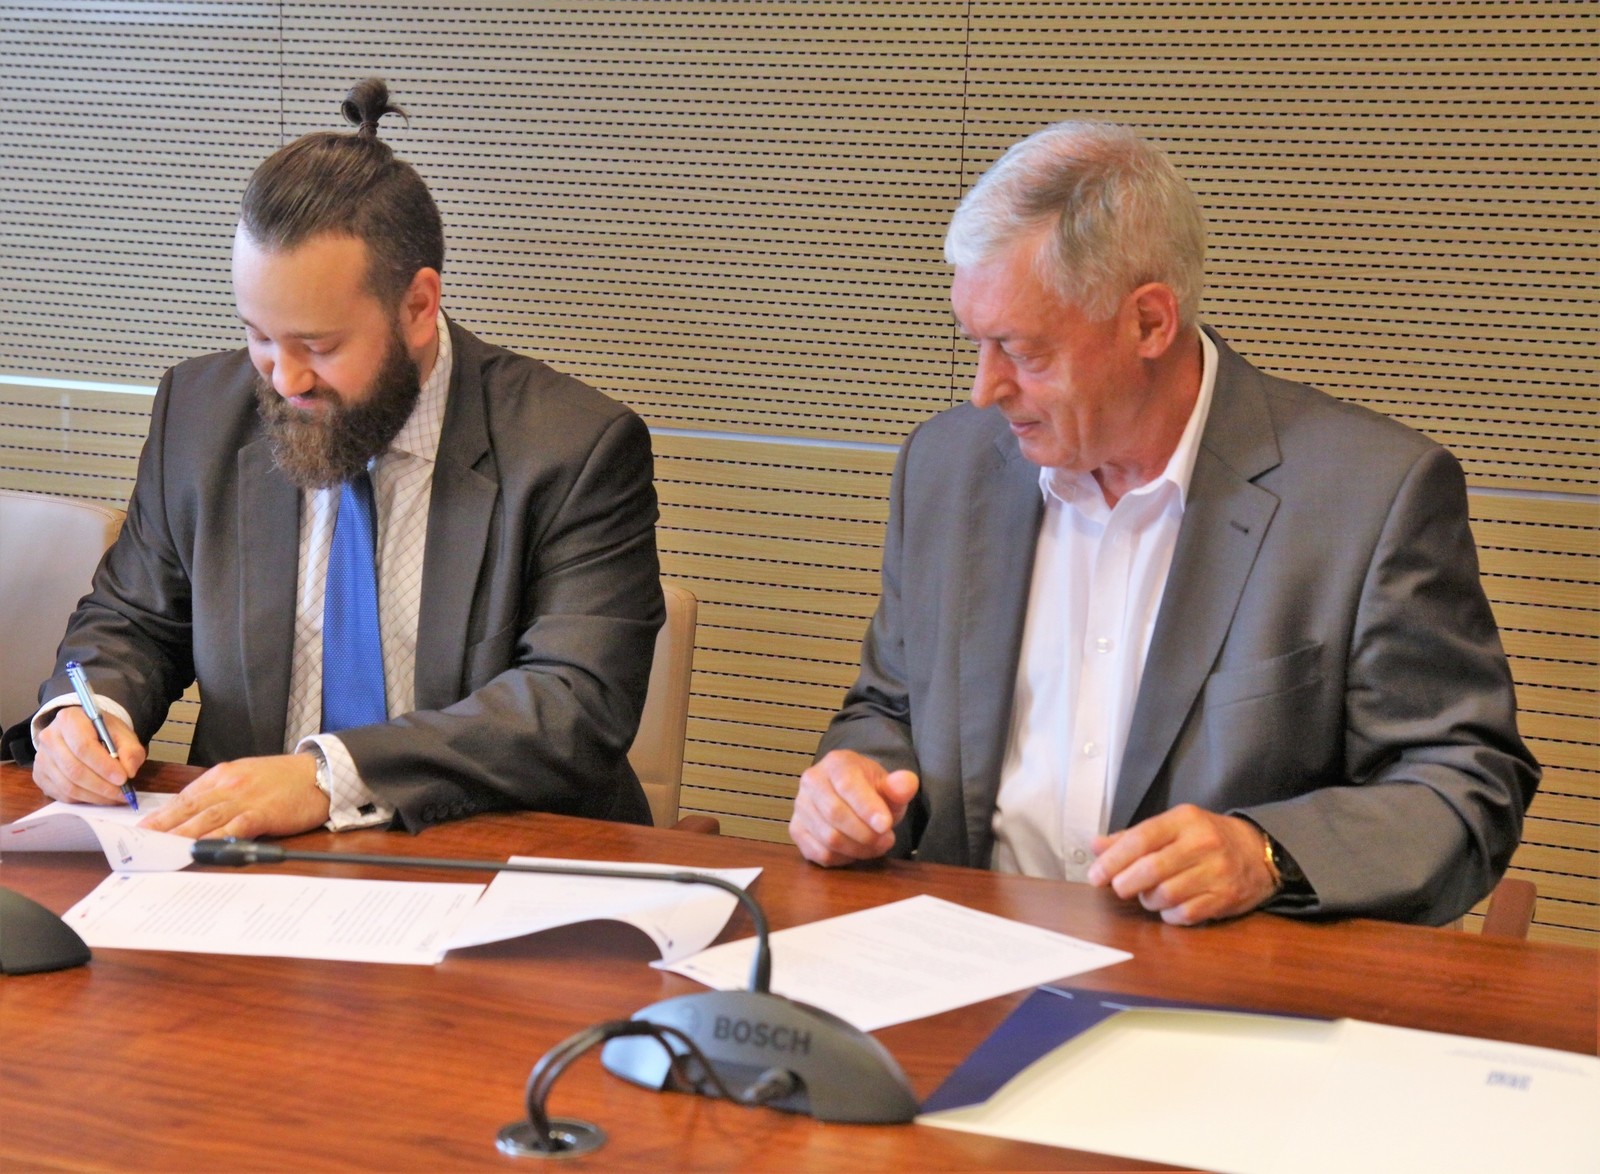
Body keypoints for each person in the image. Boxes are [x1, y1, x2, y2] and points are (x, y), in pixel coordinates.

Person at [789, 121, 1538, 926]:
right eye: (975, 343)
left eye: (1023, 352)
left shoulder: (1370, 496)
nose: (984, 389)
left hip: (1219, 973)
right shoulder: (947, 468)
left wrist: (1265, 854)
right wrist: (855, 785)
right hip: (961, 953)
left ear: (1149, 322)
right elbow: (889, 710)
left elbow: (1462, 783)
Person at [6, 80, 663, 838]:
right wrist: (88, 712)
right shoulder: (199, 412)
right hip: (245, 859)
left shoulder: (574, 447)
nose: (284, 380)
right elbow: (134, 619)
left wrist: (329, 778)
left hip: (491, 851)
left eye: (318, 345)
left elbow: (575, 703)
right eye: (258, 336)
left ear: (418, 307)